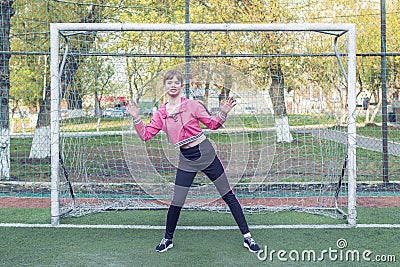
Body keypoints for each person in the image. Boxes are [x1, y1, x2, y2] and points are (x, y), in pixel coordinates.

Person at [126, 70, 260, 253]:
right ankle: (167, 239)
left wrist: (222, 114)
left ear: (182, 86)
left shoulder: (192, 105)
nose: (173, 85)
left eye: (177, 82)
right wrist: (136, 118)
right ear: (164, 86)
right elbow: (145, 135)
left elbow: (213, 124)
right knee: (177, 201)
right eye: (169, 82)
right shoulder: (160, 114)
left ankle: (248, 237)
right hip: (186, 159)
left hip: (206, 154)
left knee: (228, 195)